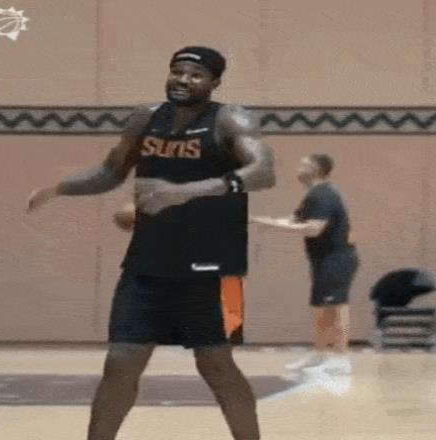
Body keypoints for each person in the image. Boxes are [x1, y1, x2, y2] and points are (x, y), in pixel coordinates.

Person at [27, 46, 275, 440]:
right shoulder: (146, 117)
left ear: (214, 82)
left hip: (218, 269)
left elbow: (263, 172)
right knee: (120, 362)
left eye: (196, 75)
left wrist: (184, 192)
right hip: (148, 265)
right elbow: (111, 172)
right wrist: (58, 188)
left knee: (217, 366)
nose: (184, 80)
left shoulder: (230, 119)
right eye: (178, 71)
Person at [251, 154, 359, 374]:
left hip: (336, 259)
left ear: (316, 170)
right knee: (320, 308)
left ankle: (341, 358)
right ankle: (320, 354)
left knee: (335, 308)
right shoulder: (313, 195)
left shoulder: (324, 195)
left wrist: (275, 226)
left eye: (303, 165)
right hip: (322, 259)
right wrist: (263, 221)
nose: (298, 168)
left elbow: (313, 229)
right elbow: (294, 220)